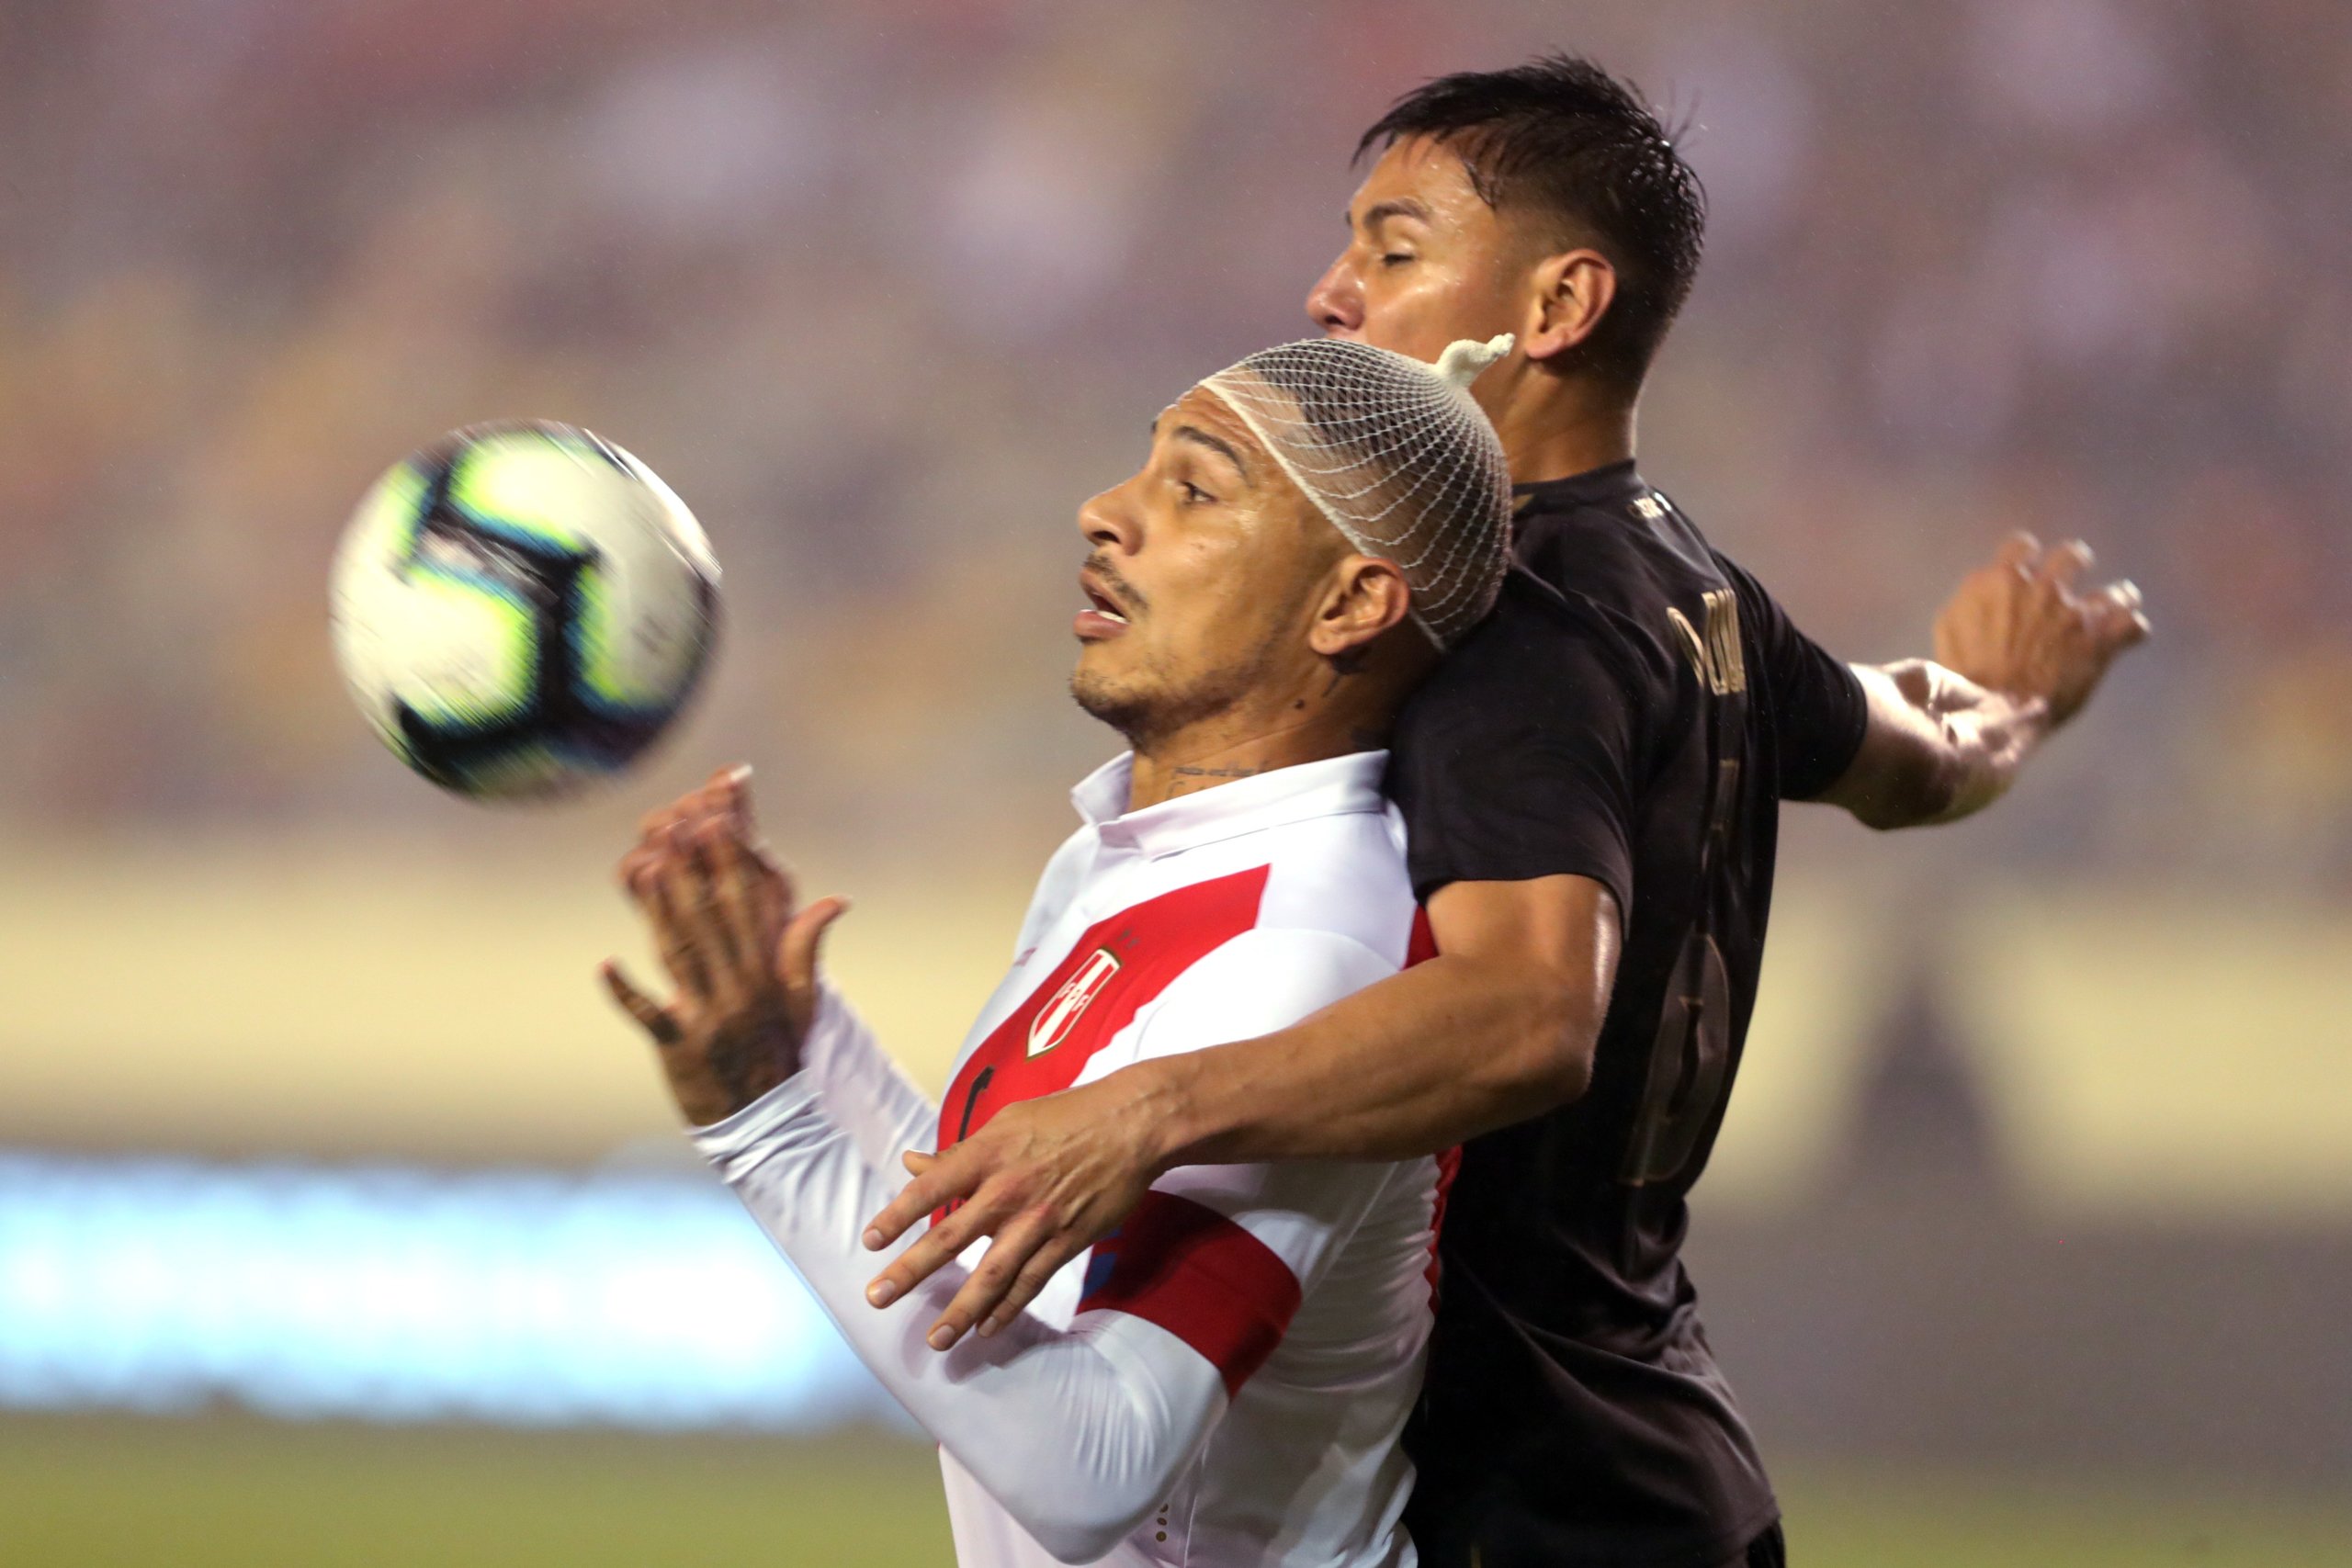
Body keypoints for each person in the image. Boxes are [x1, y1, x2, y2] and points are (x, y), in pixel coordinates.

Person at [858, 55, 2152, 1568]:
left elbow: (1531, 1012)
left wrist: (1147, 1111)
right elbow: (1924, 754)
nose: (1331, 291)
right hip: (1651, 1448)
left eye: (1393, 250)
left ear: (1557, 308)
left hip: (1520, 1499)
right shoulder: (1693, 589)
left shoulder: (1505, 632)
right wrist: (2013, 703)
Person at [603, 335, 1521, 1566]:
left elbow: (1099, 1462)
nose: (1104, 513)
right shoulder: (1124, 858)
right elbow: (996, 1244)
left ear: (1350, 603)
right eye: (1142, 468)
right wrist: (803, 1049)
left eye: (1193, 489)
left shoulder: (1306, 951)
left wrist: (765, 1129)